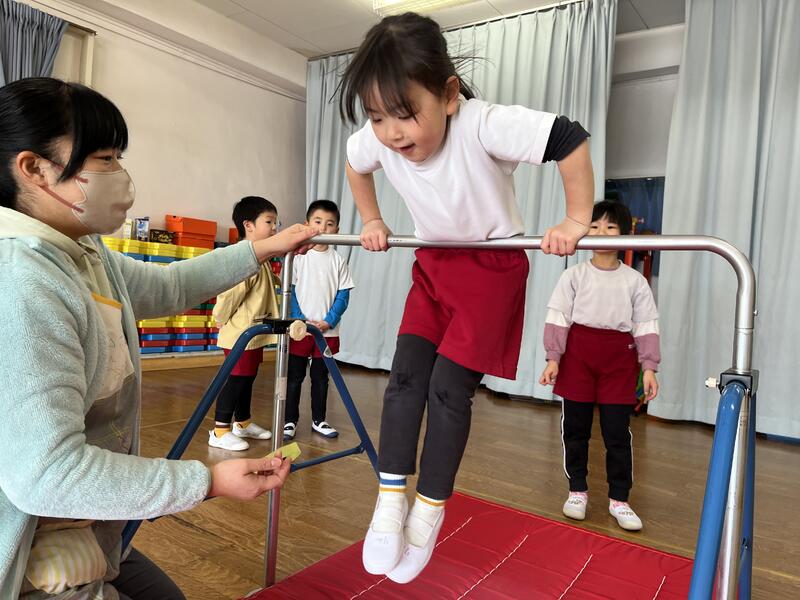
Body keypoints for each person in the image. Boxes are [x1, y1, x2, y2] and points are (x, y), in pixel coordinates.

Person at [0, 77, 316, 600]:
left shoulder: (86, 252)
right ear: (33, 168)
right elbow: (47, 474)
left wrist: (266, 247)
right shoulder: (20, 282)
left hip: (87, 524)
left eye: (117, 158)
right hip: (30, 545)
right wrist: (207, 481)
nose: (120, 175)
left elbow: (170, 286)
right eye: (104, 159)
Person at [340, 12, 595, 583]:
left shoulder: (483, 124)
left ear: (449, 94)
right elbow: (356, 164)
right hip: (434, 266)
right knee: (404, 379)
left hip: (491, 270)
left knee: (447, 391)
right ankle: (389, 501)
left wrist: (577, 218)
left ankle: (428, 511)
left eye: (405, 114)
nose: (391, 133)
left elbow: (569, 138)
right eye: (377, 117)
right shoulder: (378, 139)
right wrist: (372, 218)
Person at [539, 200, 660, 531]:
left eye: (610, 226)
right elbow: (558, 318)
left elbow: (646, 325)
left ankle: (619, 499)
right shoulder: (573, 276)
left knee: (617, 433)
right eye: (593, 226)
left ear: (624, 234)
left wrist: (649, 367)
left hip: (619, 360)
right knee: (575, 429)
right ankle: (577, 490)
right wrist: (553, 359)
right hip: (578, 356)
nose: (601, 232)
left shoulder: (634, 281)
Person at [209, 196, 282, 451]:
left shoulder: (260, 256)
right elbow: (230, 294)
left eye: (275, 222)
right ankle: (219, 430)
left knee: (248, 378)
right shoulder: (243, 257)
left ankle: (242, 422)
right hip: (240, 332)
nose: (274, 227)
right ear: (248, 225)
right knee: (236, 380)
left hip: (253, 331)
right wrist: (219, 318)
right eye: (269, 222)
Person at [285, 200, 355, 441]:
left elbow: (343, 296)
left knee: (321, 378)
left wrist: (328, 321)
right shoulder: (297, 257)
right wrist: (300, 320)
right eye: (318, 222)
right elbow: (290, 291)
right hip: (299, 330)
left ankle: (319, 420)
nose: (323, 228)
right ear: (307, 224)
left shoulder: (338, 261)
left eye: (329, 224)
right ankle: (289, 421)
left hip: (327, 333)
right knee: (294, 378)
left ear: (337, 229)